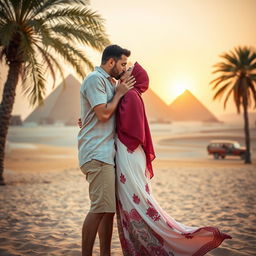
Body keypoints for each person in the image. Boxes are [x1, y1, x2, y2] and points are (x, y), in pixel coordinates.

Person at [115, 62, 232, 255]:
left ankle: (170, 242)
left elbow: (127, 128)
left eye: (128, 70)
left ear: (134, 78)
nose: (124, 71)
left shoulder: (130, 96)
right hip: (130, 154)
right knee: (137, 202)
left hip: (129, 153)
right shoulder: (132, 95)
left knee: (138, 203)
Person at [77, 44, 136, 256]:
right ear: (110, 62)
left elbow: (97, 115)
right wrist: (120, 93)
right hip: (96, 153)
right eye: (122, 64)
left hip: (105, 154)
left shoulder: (109, 82)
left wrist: (119, 89)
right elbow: (103, 114)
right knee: (99, 209)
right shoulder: (95, 79)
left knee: (107, 211)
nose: (124, 69)